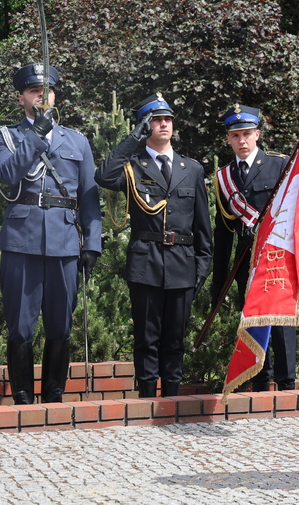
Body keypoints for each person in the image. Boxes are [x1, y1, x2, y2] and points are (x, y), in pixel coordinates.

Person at [0, 63, 102, 404]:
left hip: (65, 241)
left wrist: (94, 243)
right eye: (34, 91)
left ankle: (54, 399)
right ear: (21, 98)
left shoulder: (77, 140)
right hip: (21, 240)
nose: (42, 95)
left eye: (48, 91)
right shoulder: (6, 137)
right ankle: (24, 401)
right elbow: (10, 175)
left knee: (60, 325)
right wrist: (35, 135)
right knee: (21, 326)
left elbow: (89, 198)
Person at [94, 94, 212, 397]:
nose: (163, 124)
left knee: (175, 337)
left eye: (168, 119)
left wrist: (200, 269)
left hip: (183, 264)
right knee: (147, 337)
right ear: (146, 126)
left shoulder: (192, 168)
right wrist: (133, 138)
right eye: (156, 119)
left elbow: (202, 228)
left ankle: (171, 397)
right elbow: (104, 176)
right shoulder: (133, 166)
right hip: (146, 262)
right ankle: (146, 397)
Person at [211, 105, 295, 391]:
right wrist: (219, 279)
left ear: (257, 134)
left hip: (277, 257)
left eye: (247, 134)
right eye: (236, 136)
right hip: (245, 261)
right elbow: (223, 231)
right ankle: (260, 381)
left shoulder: (279, 164)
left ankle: (286, 384)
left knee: (281, 321)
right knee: (254, 320)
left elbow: (293, 211)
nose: (242, 141)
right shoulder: (224, 176)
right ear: (228, 139)